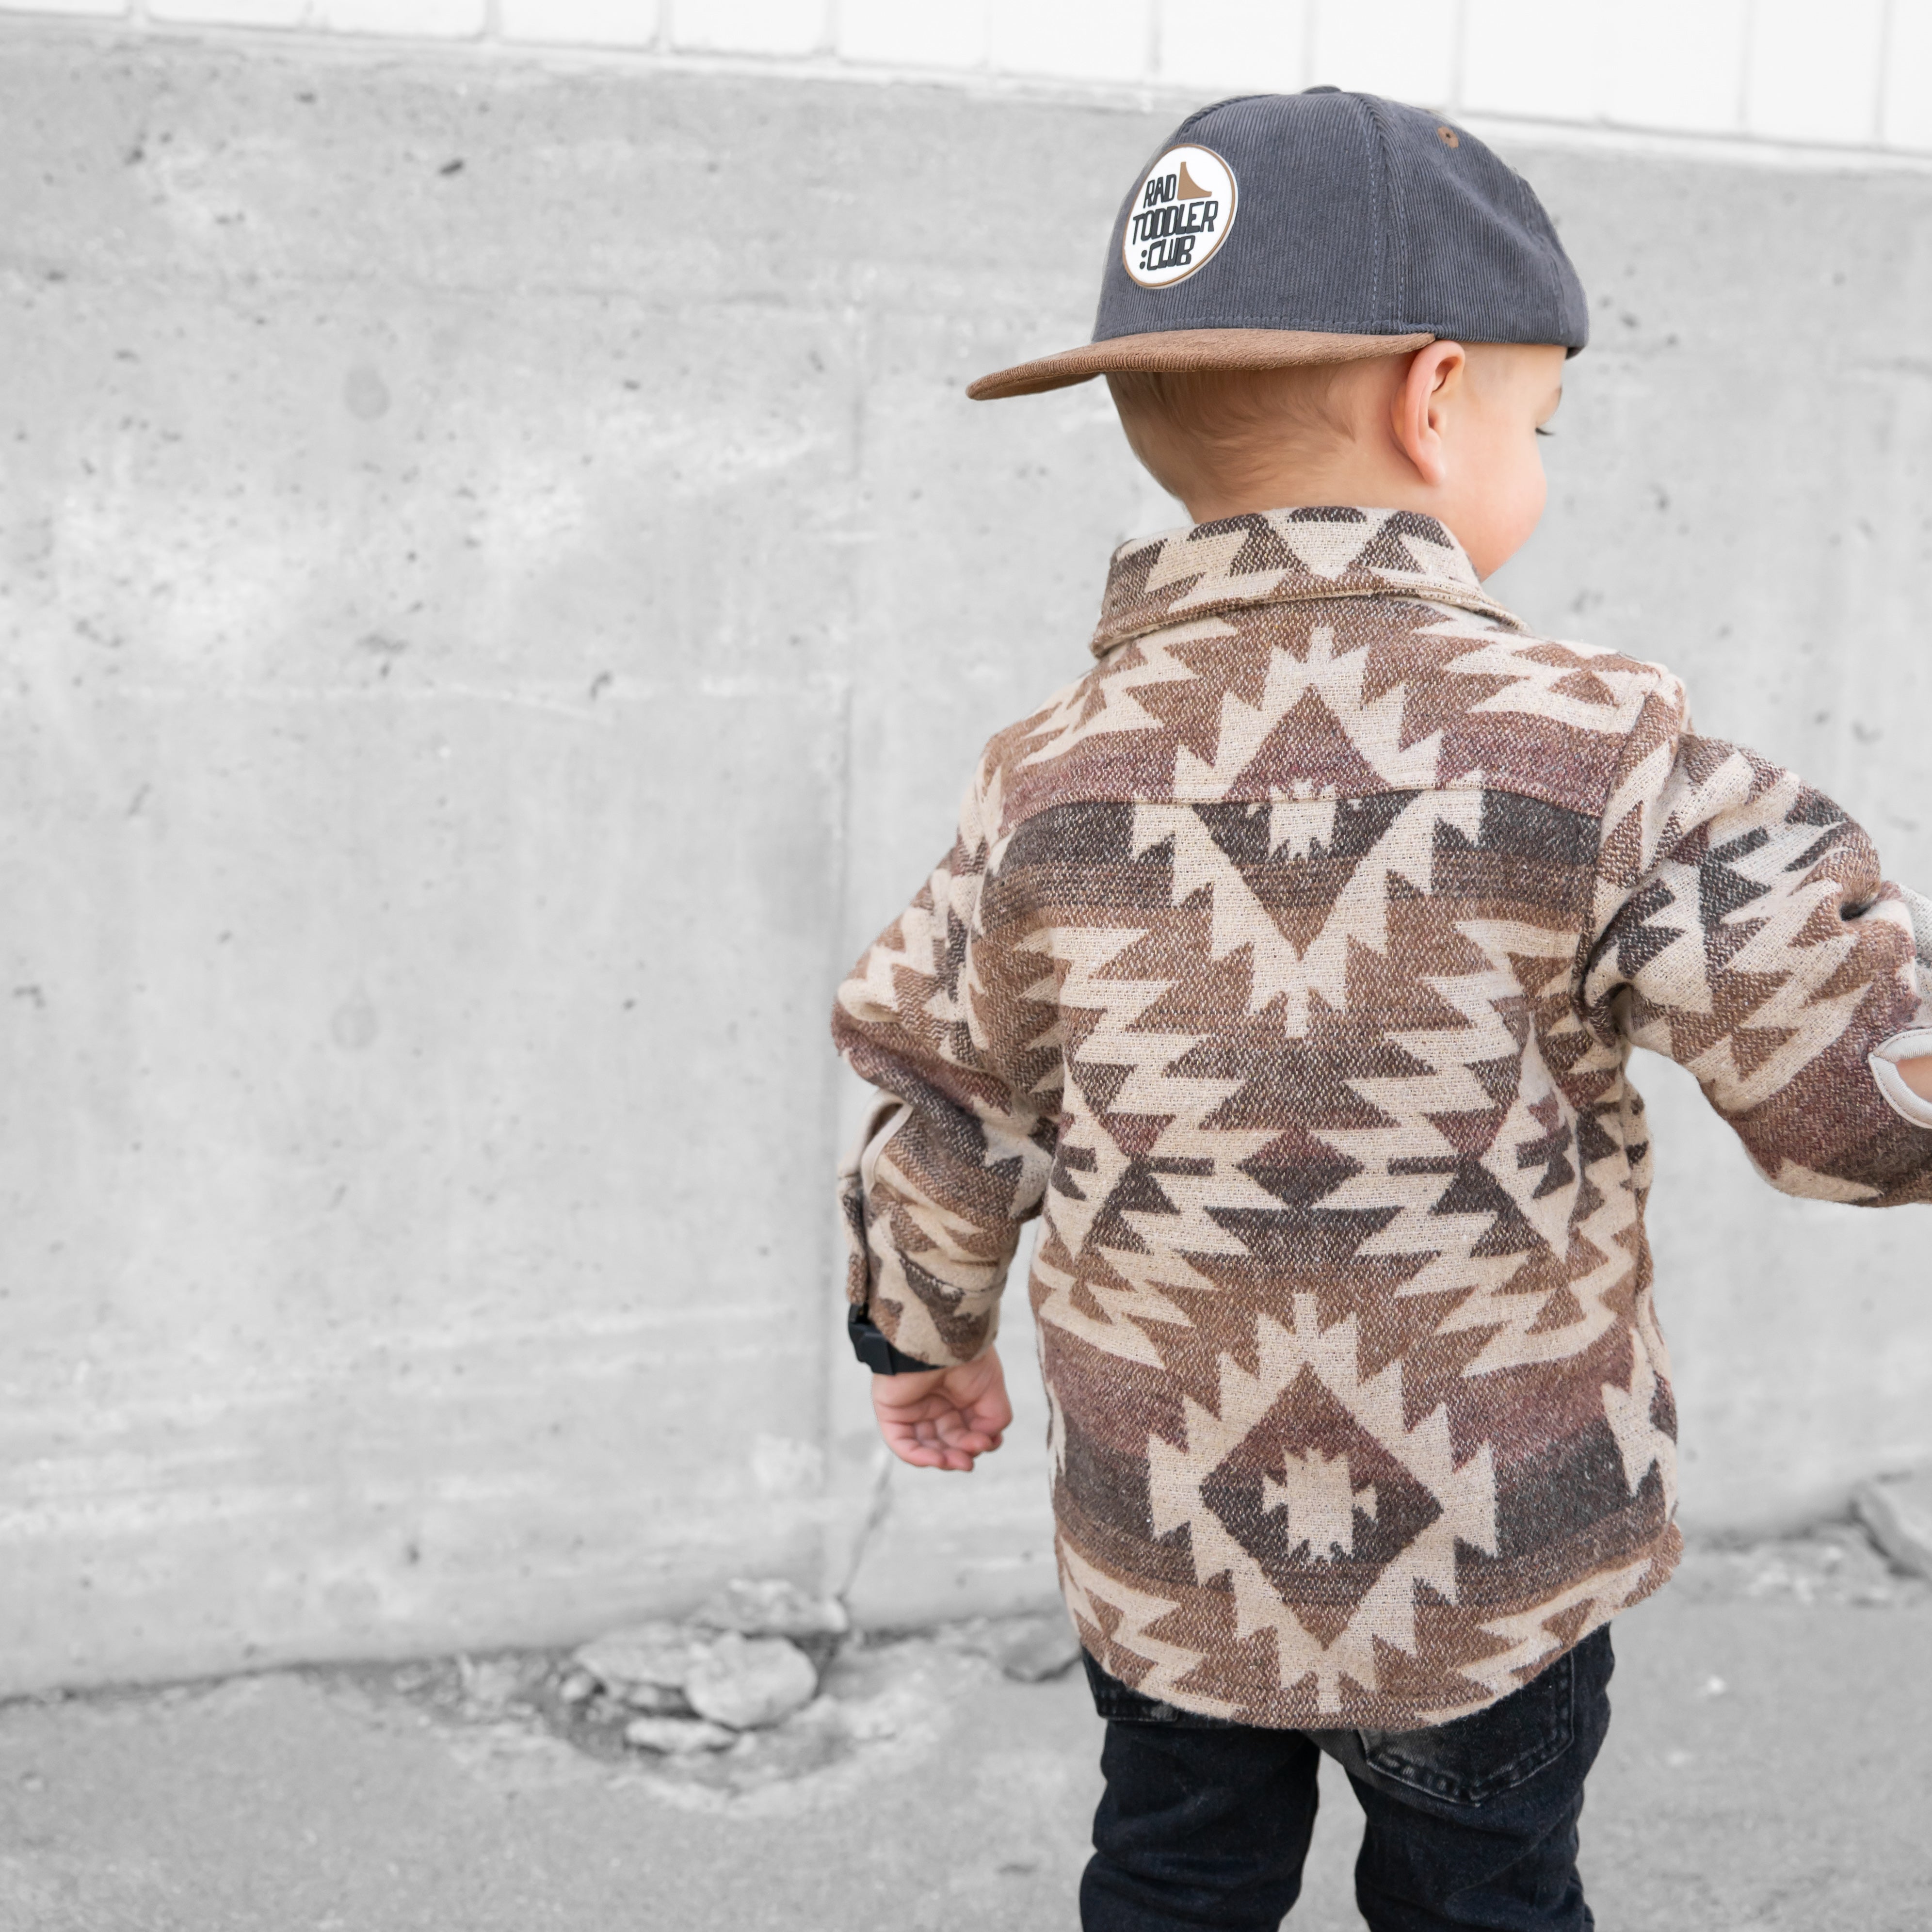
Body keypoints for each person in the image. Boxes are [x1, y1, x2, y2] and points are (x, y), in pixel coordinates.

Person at [830, 88, 1932, 1931]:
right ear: (1438, 401)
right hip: (1488, 1562)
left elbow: (949, 1099)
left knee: (1170, 1882)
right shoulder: (1594, 755)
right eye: (1538, 423)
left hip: (1170, 1546)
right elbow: (1863, 1096)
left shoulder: (1043, 780)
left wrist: (916, 1335)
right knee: (1486, 1897)